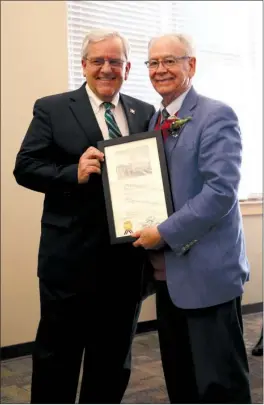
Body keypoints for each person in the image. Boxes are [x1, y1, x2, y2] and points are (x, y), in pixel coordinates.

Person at [13, 28, 155, 404]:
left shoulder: (145, 112)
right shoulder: (53, 107)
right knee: (57, 359)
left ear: (127, 67)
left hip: (125, 265)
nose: (106, 69)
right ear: (84, 65)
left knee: (111, 362)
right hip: (69, 262)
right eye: (98, 61)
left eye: (115, 61)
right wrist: (69, 174)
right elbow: (24, 167)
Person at [132, 33, 252, 403]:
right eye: (153, 62)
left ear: (191, 65)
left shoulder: (216, 114)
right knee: (181, 377)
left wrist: (164, 233)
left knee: (219, 383)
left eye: (170, 60)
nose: (160, 69)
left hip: (206, 273)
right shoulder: (154, 119)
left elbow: (220, 193)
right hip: (167, 274)